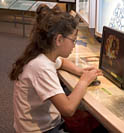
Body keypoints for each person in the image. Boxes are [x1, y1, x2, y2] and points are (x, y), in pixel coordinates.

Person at [9, 4, 102, 133]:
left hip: (42, 124)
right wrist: (84, 81)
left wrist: (79, 71)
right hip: (43, 130)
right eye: (73, 40)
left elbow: (62, 62)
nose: (74, 46)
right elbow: (68, 109)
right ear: (59, 39)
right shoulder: (41, 67)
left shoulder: (43, 54)